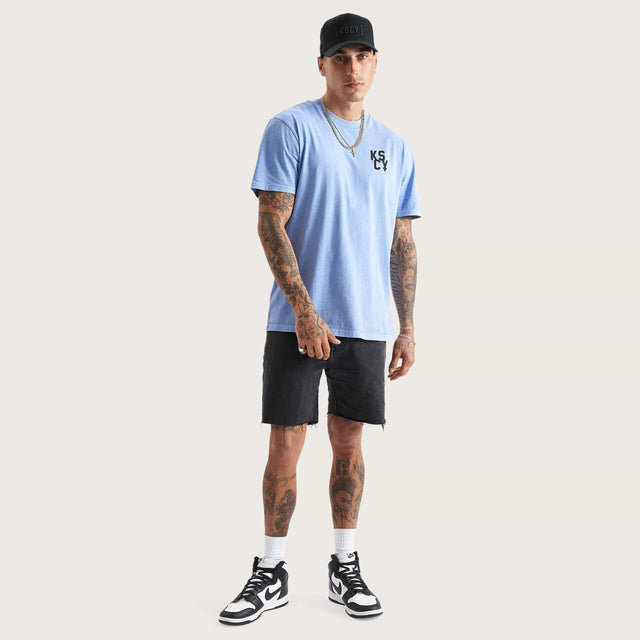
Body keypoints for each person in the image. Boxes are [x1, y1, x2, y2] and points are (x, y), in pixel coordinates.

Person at [219, 13, 420, 625]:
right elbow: (269, 222)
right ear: (322, 65)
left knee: (349, 440)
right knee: (286, 440)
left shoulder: (395, 146)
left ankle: (344, 564)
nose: (352, 68)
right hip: (296, 322)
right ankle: (271, 570)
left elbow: (402, 241)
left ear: (375, 62)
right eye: (341, 58)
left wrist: (407, 326)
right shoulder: (291, 128)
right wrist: (305, 311)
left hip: (366, 322)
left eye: (362, 56)